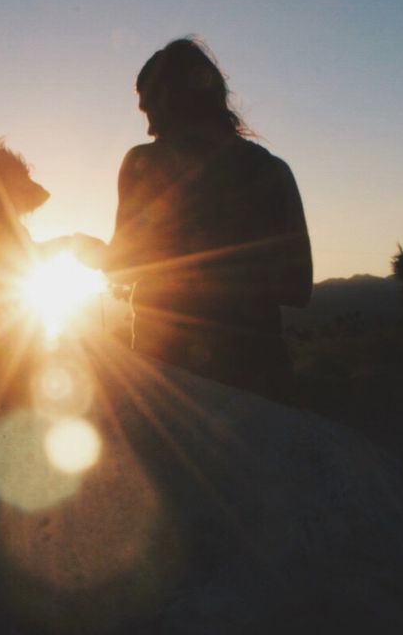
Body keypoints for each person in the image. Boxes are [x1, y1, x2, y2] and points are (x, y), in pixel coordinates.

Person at [76, 37, 312, 400]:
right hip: (261, 380)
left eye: (149, 109)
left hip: (170, 378)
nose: (149, 127)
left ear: (173, 100)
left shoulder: (144, 163)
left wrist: (88, 252)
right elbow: (298, 286)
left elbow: (123, 265)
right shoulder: (271, 170)